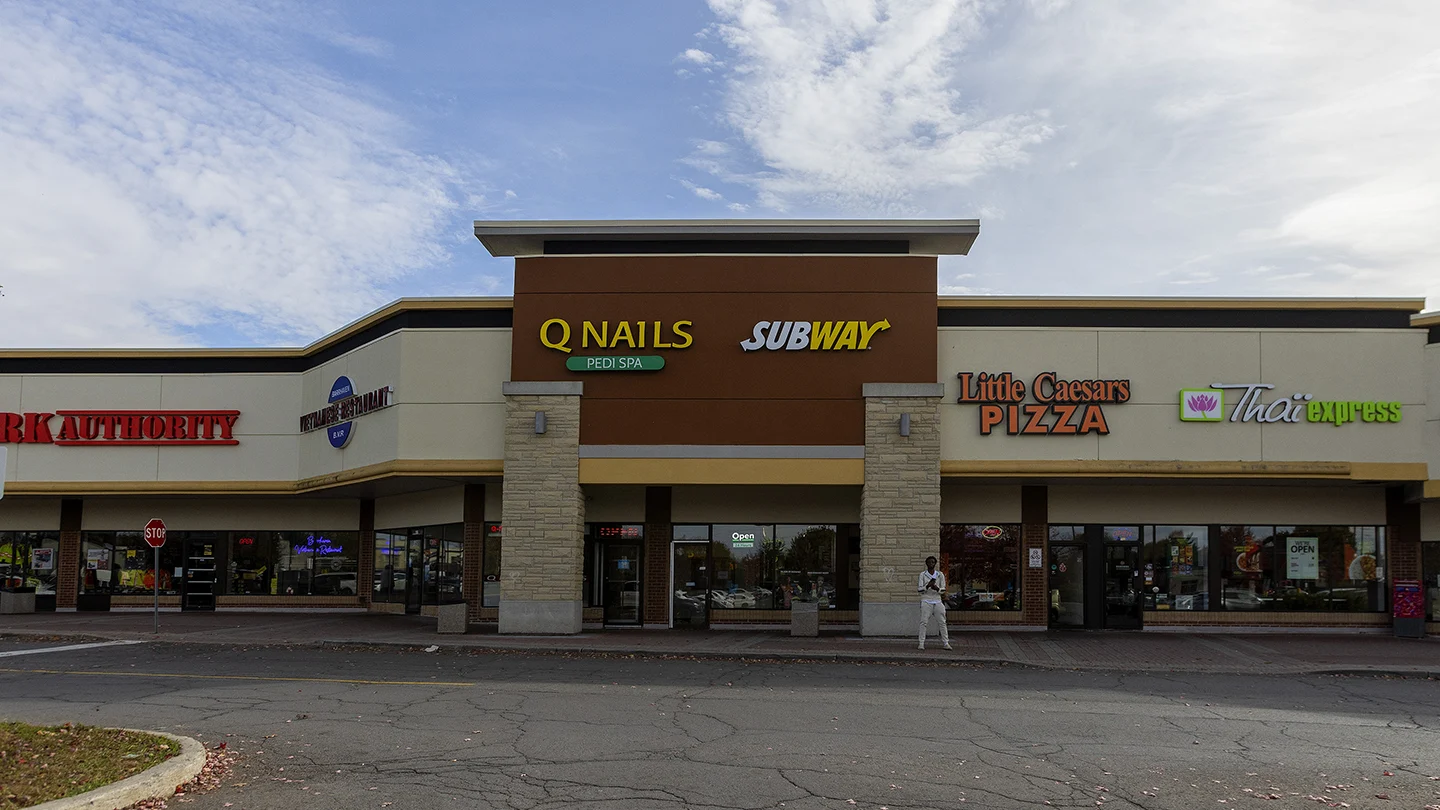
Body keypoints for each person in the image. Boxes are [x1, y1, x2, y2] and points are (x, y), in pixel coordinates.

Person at [918, 555, 951, 650]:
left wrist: (937, 588)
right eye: (929, 562)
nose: (931, 564)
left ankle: (946, 643)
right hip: (926, 600)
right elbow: (919, 590)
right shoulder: (923, 575)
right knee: (923, 622)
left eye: (933, 562)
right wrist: (927, 586)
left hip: (937, 600)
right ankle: (921, 643)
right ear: (926, 564)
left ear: (935, 564)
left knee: (942, 622)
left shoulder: (939, 575)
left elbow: (943, 589)